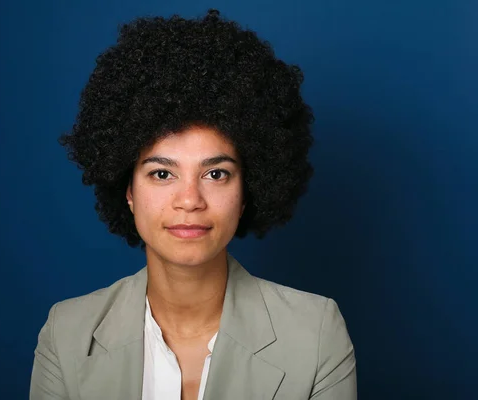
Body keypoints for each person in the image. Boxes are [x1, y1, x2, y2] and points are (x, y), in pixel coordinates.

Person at [30, 9, 356, 400]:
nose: (190, 200)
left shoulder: (317, 333)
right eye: (162, 174)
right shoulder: (66, 334)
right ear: (128, 190)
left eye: (215, 173)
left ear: (248, 190)